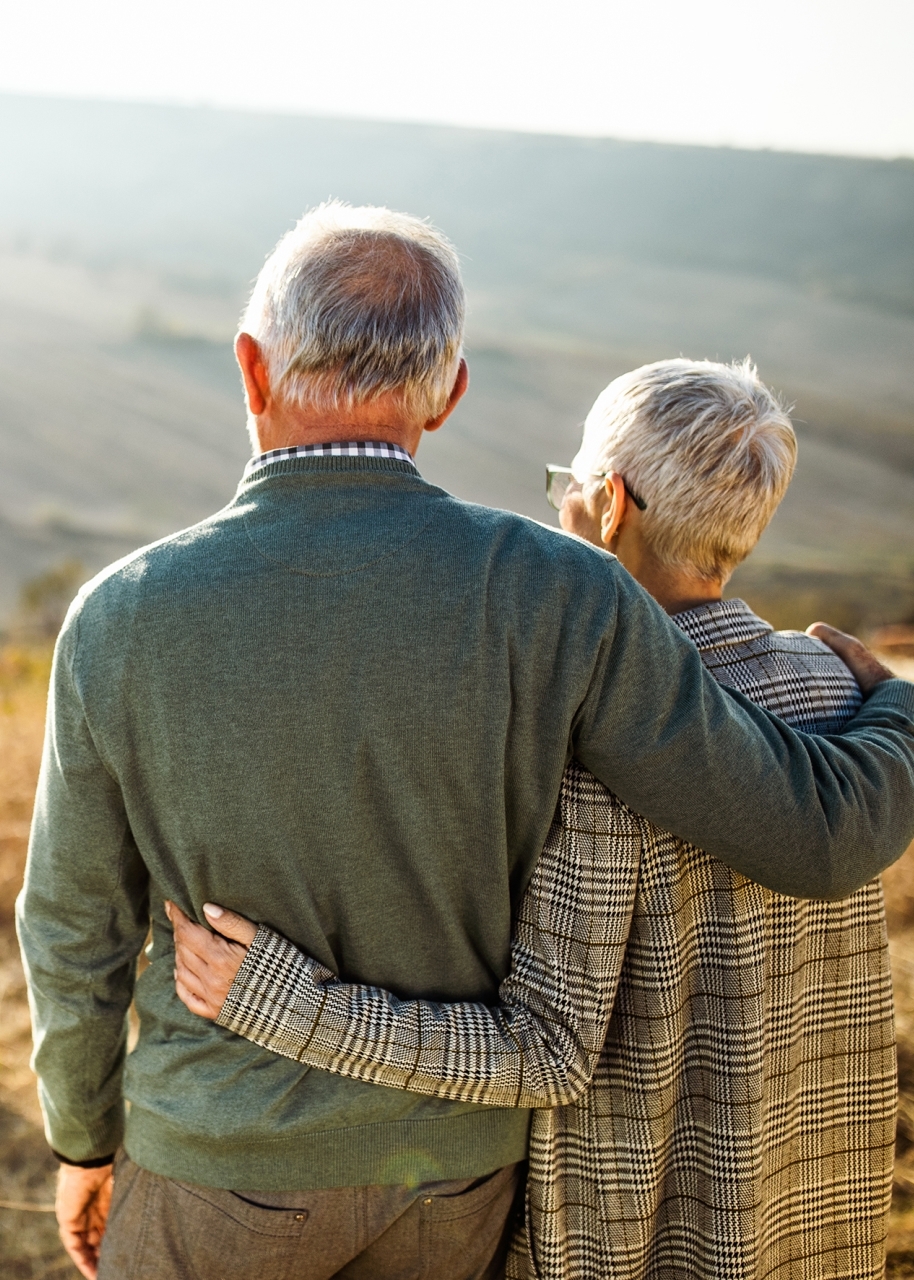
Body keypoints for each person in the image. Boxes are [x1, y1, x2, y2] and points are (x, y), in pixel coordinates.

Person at [16, 201, 914, 1280]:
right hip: (456, 1178)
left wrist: (82, 1136)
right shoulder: (560, 592)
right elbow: (798, 826)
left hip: (216, 1163)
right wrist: (890, 700)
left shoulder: (122, 612)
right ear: (447, 394)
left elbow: (73, 928)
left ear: (252, 371)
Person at [173, 358, 902, 1280]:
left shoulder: (582, 739)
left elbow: (548, 1052)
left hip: (637, 1232)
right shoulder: (841, 691)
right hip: (813, 1215)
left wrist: (289, 1005)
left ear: (608, 505)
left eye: (565, 487)